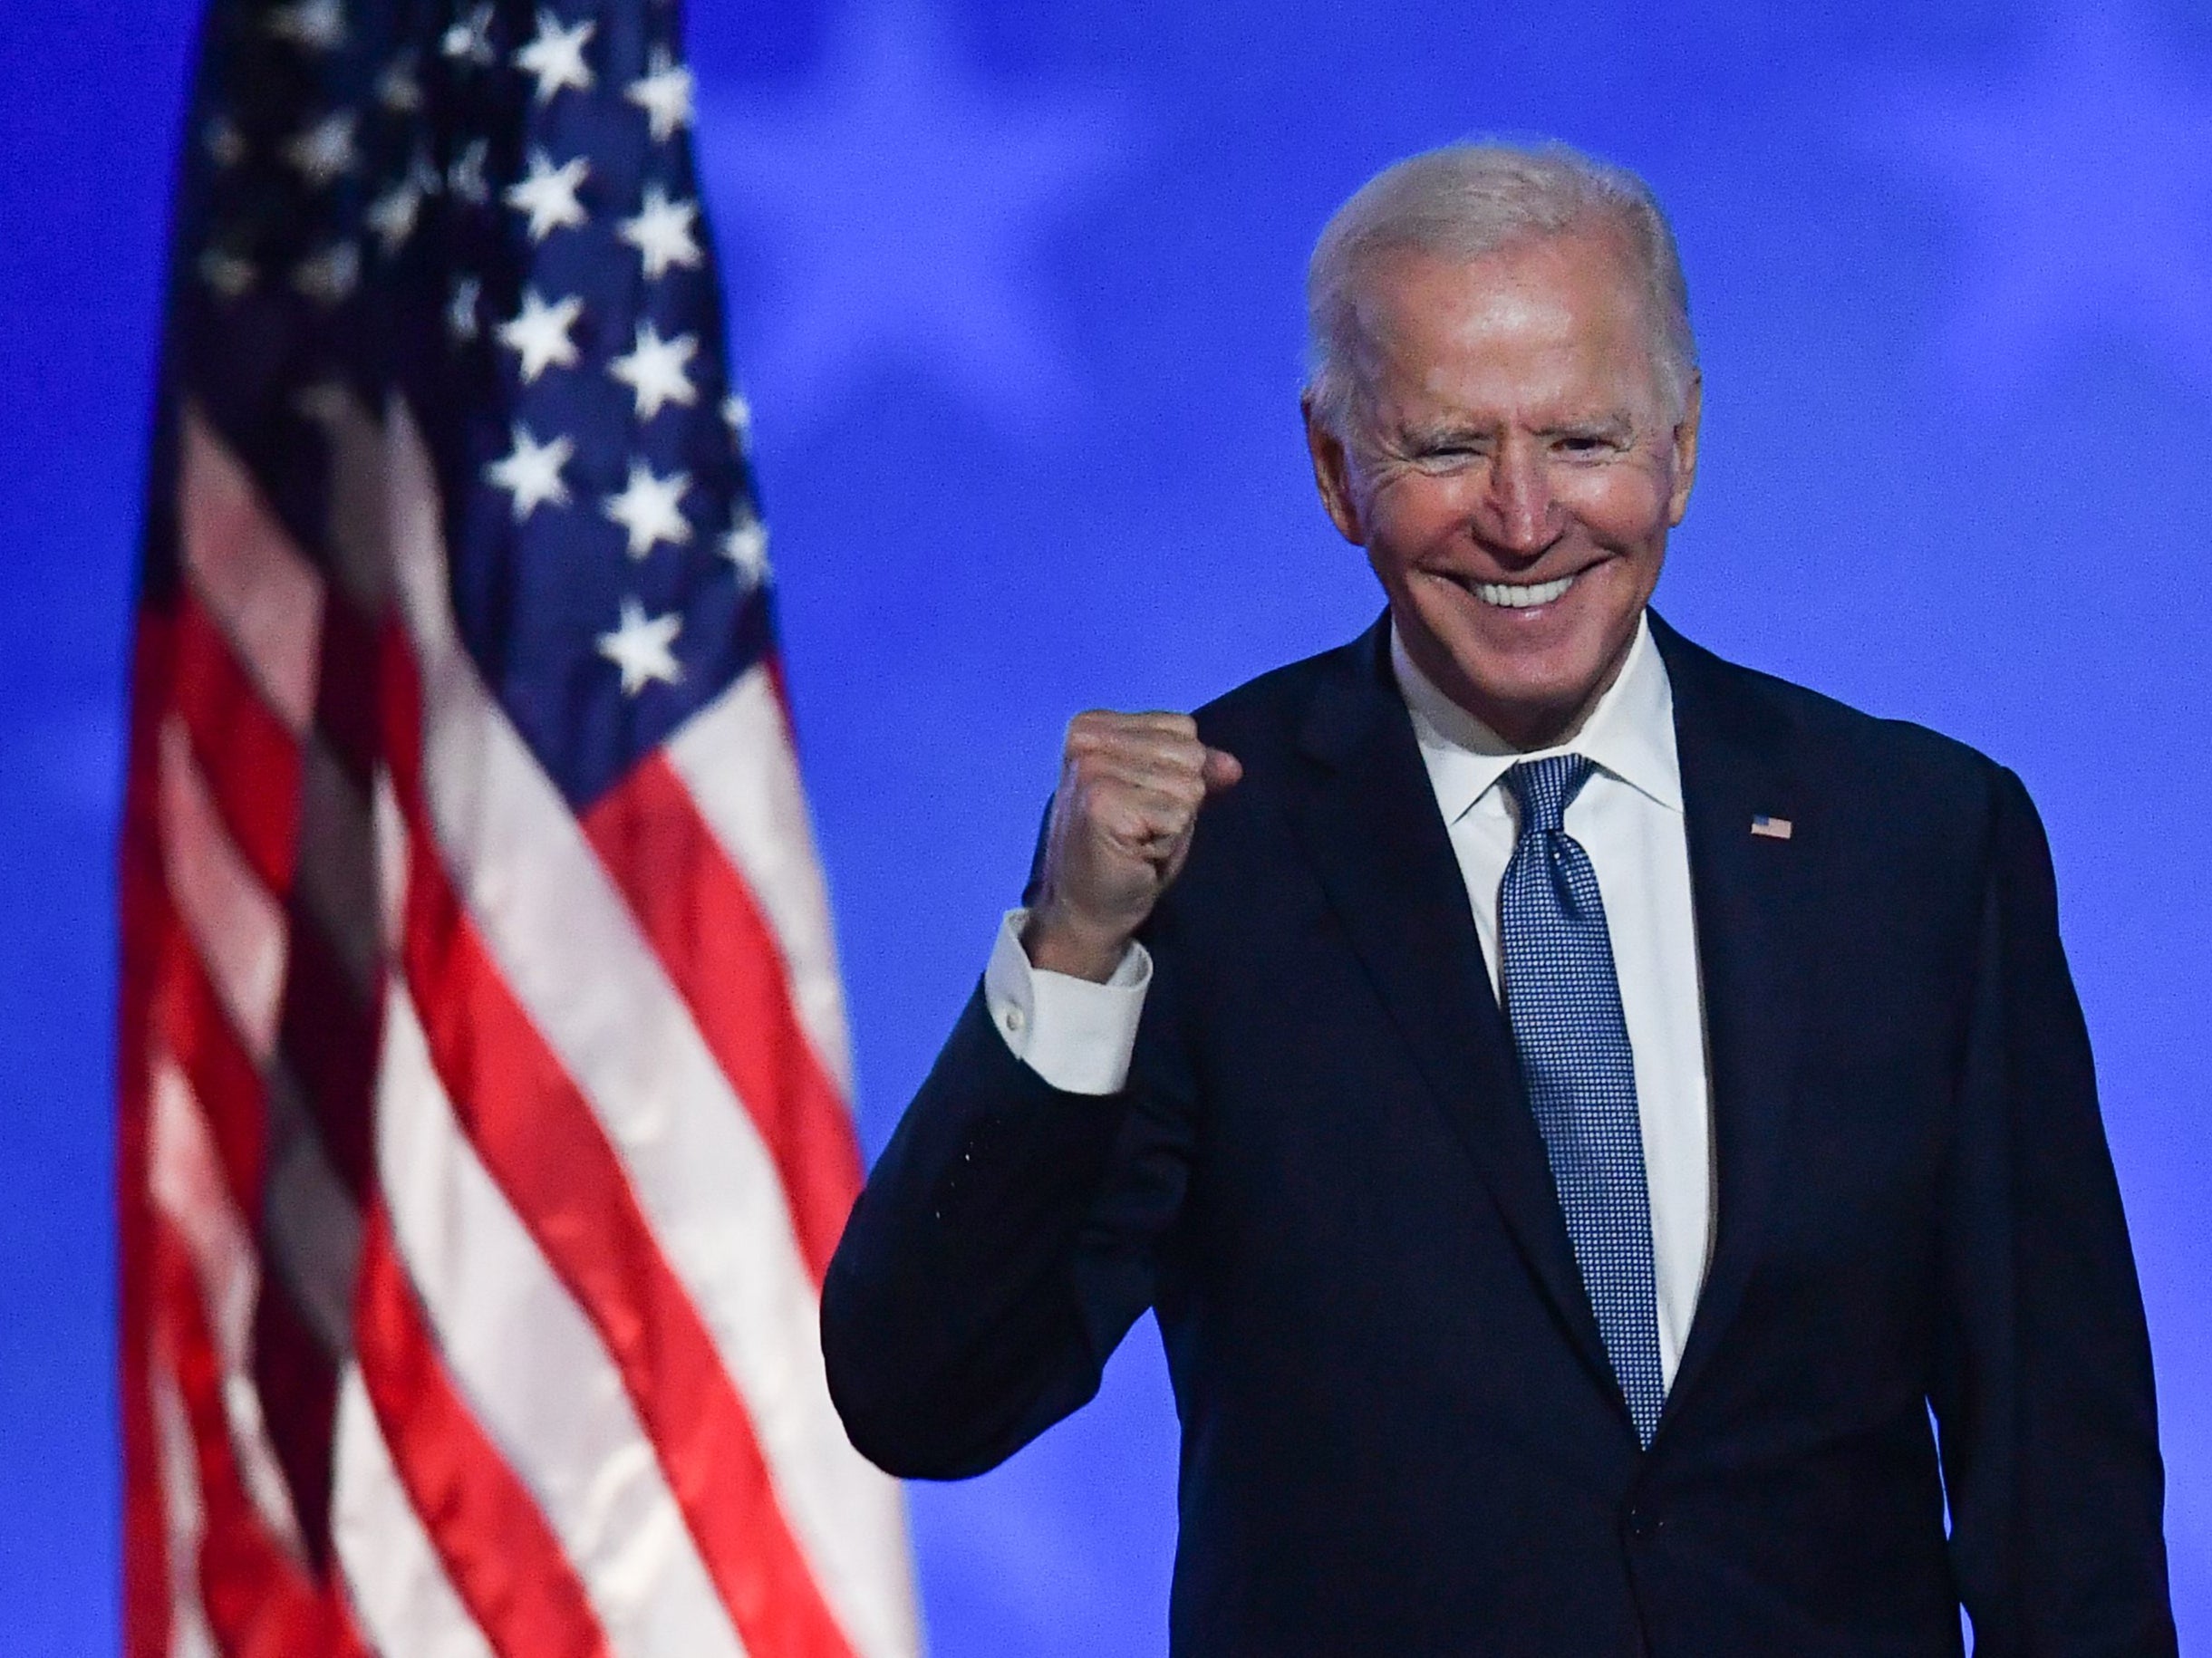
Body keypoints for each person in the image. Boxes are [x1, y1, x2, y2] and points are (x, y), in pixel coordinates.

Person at [819, 141, 2176, 1654]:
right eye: (1448, 447)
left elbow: (2060, 1479)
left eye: (1583, 438)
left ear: (1681, 441)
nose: (1524, 521)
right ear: (1334, 469)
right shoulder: (1201, 855)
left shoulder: (1917, 840)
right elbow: (922, 1395)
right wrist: (1073, 952)